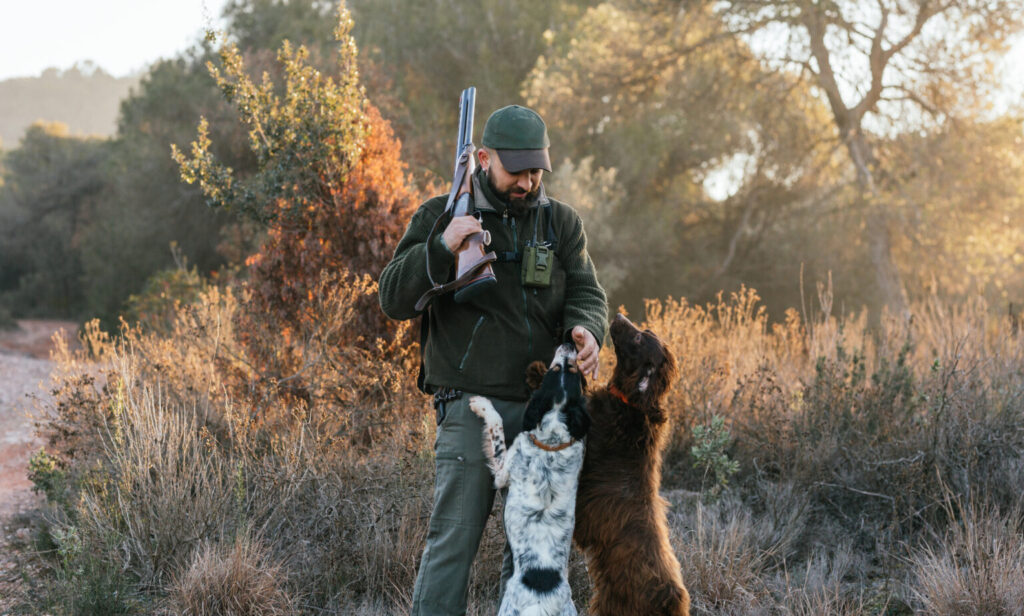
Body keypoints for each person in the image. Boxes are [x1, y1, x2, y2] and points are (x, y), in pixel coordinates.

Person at [378, 104, 607, 616]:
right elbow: (392, 298)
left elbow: (588, 292)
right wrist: (441, 246)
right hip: (469, 407)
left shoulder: (561, 222)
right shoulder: (441, 213)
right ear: (483, 158)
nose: (528, 182)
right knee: (452, 545)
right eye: (516, 169)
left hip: (544, 413)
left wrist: (586, 329)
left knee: (532, 553)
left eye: (536, 170)